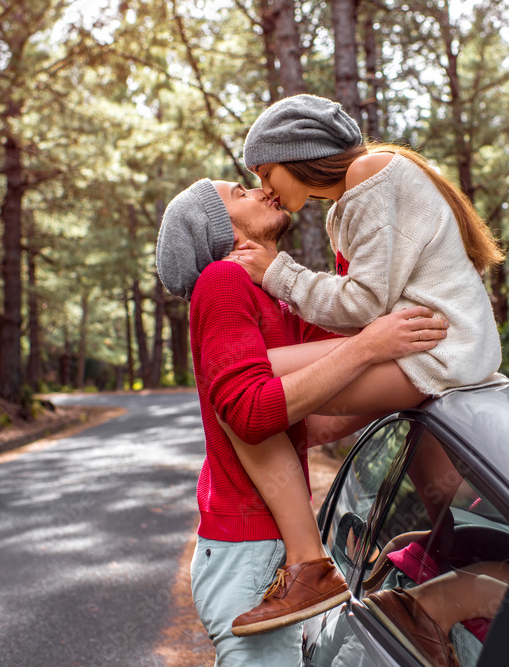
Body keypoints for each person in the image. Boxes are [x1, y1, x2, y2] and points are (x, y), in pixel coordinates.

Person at [216, 94, 509, 637]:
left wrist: (277, 274)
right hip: (425, 346)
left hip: (436, 346)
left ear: (296, 152)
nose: (262, 183)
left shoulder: (370, 172)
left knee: (255, 386)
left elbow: (364, 303)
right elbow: (360, 313)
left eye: (264, 167)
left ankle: (310, 563)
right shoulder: (347, 202)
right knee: (278, 410)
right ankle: (451, 549)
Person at [155, 177, 449, 665]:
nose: (260, 191)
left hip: (262, 554)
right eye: (239, 193)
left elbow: (318, 416)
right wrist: (368, 345)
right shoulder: (222, 281)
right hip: (248, 556)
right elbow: (250, 411)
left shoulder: (275, 297)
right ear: (222, 231)